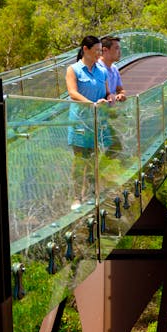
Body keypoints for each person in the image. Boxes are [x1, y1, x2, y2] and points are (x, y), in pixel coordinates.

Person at [66, 35, 110, 208]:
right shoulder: (73, 69)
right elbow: (72, 93)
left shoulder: (102, 71)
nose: (100, 54)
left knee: (93, 159)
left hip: (98, 122)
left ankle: (92, 193)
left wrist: (112, 97)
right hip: (79, 122)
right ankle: (77, 197)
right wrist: (92, 104)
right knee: (79, 160)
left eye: (101, 50)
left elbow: (107, 92)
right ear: (85, 49)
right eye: (97, 50)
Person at [99, 35, 126, 102]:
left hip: (109, 110)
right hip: (95, 109)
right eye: (116, 48)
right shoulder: (96, 68)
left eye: (120, 48)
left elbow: (119, 89)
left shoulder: (114, 68)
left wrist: (121, 94)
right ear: (105, 50)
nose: (120, 52)